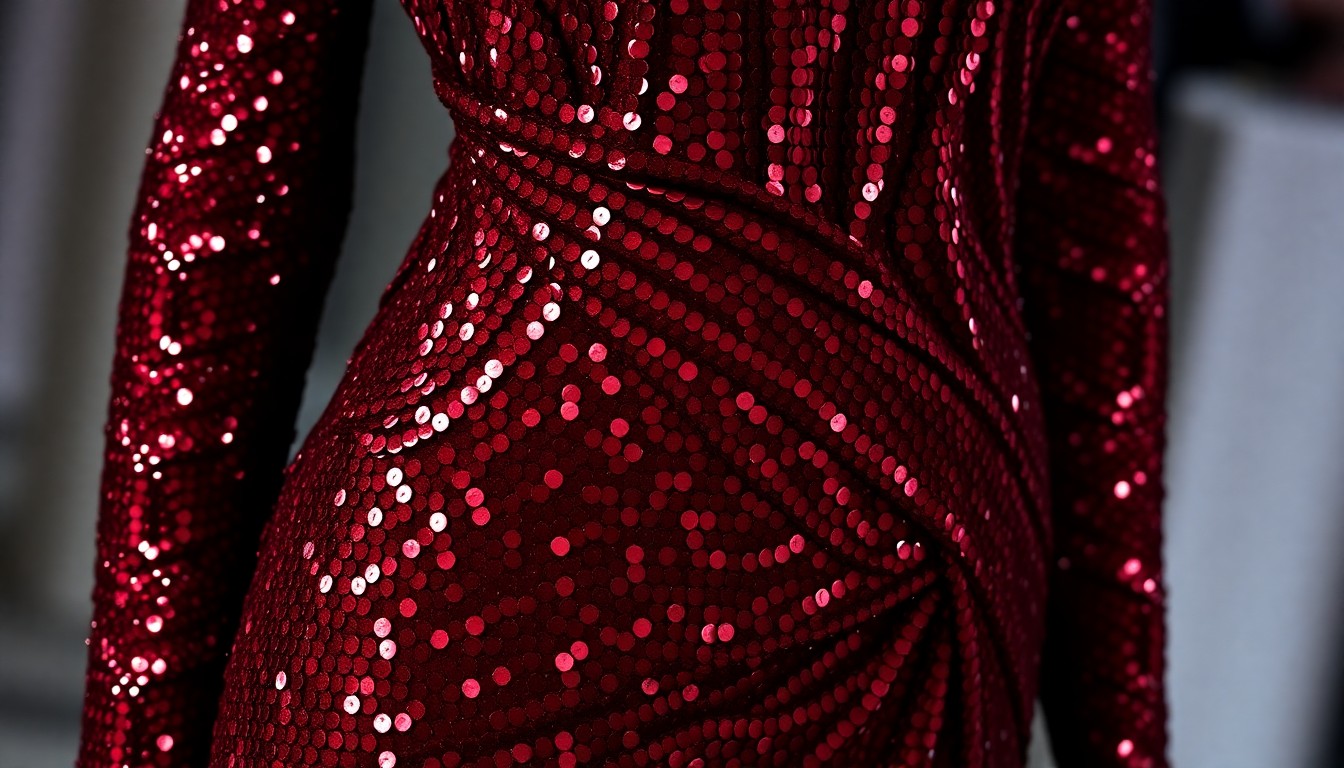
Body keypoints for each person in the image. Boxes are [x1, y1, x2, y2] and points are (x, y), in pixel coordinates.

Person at [75, 0, 1172, 766]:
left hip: (894, 606)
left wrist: (135, 734)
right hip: (481, 606)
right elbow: (235, 199)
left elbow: (227, 206)